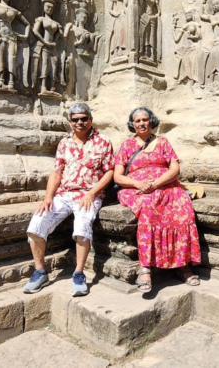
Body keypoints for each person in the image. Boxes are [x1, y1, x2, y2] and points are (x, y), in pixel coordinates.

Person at [23, 103, 114, 296]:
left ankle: (79, 274)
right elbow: (57, 172)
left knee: (82, 226)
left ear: (90, 119)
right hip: (64, 194)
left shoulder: (103, 141)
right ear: (70, 122)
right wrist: (48, 197)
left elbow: (109, 172)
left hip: (89, 195)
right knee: (37, 223)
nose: (80, 122)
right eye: (76, 119)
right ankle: (40, 271)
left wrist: (92, 192)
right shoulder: (64, 143)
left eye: (84, 118)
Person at [113, 107, 201, 292]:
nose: (142, 123)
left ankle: (183, 265)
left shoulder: (163, 142)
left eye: (145, 119)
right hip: (137, 189)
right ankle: (145, 268)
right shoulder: (127, 146)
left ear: (151, 121)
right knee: (148, 208)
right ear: (132, 124)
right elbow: (118, 177)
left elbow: (175, 169)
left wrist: (155, 184)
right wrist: (139, 184)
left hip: (165, 185)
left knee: (182, 208)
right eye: (137, 121)